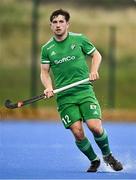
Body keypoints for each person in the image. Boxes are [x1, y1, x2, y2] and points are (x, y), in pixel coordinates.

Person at [40, 9, 123, 172]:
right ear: (50, 26)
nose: (58, 25)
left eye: (61, 22)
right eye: (54, 22)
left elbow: (96, 56)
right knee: (78, 132)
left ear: (67, 24)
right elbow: (44, 72)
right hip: (65, 97)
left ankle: (108, 155)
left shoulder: (79, 39)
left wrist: (93, 71)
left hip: (84, 91)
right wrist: (48, 87)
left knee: (95, 127)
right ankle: (94, 160)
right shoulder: (47, 48)